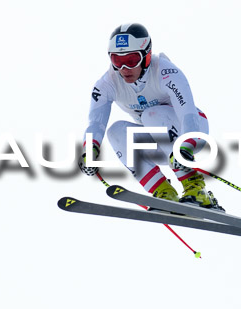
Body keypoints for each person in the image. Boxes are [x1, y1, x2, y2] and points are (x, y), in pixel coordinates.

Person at [78, 23, 223, 211]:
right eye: (116, 60)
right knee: (116, 131)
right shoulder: (107, 84)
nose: (123, 68)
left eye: (131, 60)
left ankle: (195, 188)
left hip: (192, 132)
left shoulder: (165, 72)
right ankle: (164, 193)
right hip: (160, 145)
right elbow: (96, 123)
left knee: (150, 114)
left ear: (146, 56)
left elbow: (188, 112)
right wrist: (89, 151)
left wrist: (185, 146)